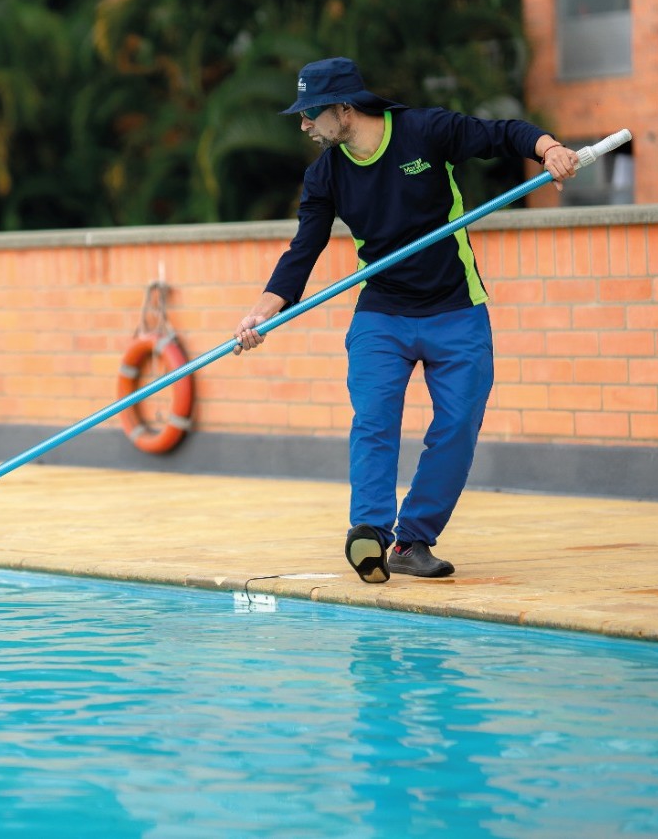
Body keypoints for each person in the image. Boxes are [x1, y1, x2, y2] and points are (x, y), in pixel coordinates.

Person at [233, 57, 580, 584]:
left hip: (456, 307)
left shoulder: (425, 131)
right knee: (374, 419)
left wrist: (549, 149)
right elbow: (303, 249)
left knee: (458, 427)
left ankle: (412, 540)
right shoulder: (325, 173)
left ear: (344, 109)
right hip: (382, 313)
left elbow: (502, 134)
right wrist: (263, 310)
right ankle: (369, 533)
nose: (303, 125)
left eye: (310, 114)